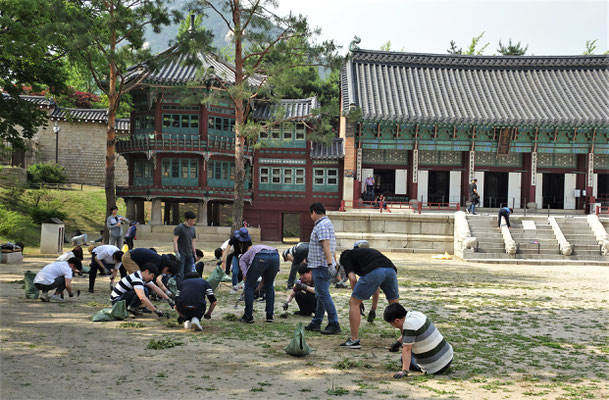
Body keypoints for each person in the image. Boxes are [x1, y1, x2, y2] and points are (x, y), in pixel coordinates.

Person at [337, 247, 400, 349]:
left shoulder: (345, 256)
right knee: (395, 304)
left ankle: (354, 340)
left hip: (375, 271)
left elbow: (352, 279)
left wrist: (358, 300)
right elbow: (376, 289)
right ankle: (406, 337)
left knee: (353, 303)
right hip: (391, 269)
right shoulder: (365, 255)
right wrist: (373, 309)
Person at [383, 303, 453, 378]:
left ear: (397, 321)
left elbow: (407, 349)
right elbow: (411, 333)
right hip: (448, 357)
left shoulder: (408, 325)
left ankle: (424, 367)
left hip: (435, 367)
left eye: (391, 323)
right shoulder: (416, 315)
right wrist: (398, 343)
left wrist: (404, 371)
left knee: (404, 358)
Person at [305, 202, 341, 335]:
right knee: (321, 295)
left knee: (323, 295)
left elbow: (326, 245)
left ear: (314, 212)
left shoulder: (322, 225)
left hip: (321, 265)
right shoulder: (326, 224)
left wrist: (331, 264)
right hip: (322, 264)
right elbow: (331, 246)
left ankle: (334, 323)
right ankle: (317, 321)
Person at [238, 243, 280, 323]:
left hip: (260, 255)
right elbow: (265, 278)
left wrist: (246, 284)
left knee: (249, 286)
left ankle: (248, 316)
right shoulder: (253, 252)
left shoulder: (242, 259)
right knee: (269, 285)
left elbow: (246, 276)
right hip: (275, 255)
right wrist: (259, 287)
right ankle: (269, 315)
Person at [222, 227, 252, 292]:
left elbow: (250, 249)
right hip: (236, 256)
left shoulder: (248, 239)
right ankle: (234, 286)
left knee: (245, 272)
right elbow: (228, 248)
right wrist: (223, 257)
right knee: (235, 272)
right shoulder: (234, 238)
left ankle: (245, 287)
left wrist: (248, 258)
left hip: (245, 257)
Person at [173, 211, 197, 289]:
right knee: (180, 273)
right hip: (181, 254)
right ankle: (179, 289)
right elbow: (175, 240)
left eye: (193, 221)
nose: (192, 222)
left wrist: (194, 252)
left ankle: (187, 288)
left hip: (189, 254)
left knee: (189, 273)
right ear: (186, 219)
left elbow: (193, 240)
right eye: (190, 220)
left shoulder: (193, 229)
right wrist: (176, 251)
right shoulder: (179, 228)